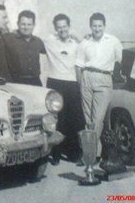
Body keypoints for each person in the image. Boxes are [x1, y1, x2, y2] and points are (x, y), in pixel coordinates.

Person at [76, 12, 123, 157]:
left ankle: (91, 154)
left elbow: (120, 61)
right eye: (94, 26)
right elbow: (78, 66)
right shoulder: (84, 43)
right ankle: (94, 152)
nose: (97, 29)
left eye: (100, 26)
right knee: (88, 118)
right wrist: (80, 84)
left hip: (104, 78)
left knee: (98, 118)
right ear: (90, 26)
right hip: (86, 77)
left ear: (104, 26)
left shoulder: (113, 41)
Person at [44, 14, 85, 164]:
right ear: (55, 29)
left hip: (72, 83)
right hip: (55, 82)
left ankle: (74, 152)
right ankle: (55, 153)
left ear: (69, 26)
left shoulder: (76, 44)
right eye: (59, 27)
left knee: (75, 119)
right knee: (57, 119)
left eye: (65, 26)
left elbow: (85, 43)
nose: (62, 30)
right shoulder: (49, 41)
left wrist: (74, 34)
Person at [3, 10, 46, 86]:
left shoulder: (38, 41)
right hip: (16, 82)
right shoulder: (8, 39)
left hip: (35, 81)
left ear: (34, 25)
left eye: (29, 24)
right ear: (18, 24)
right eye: (23, 24)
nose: (26, 27)